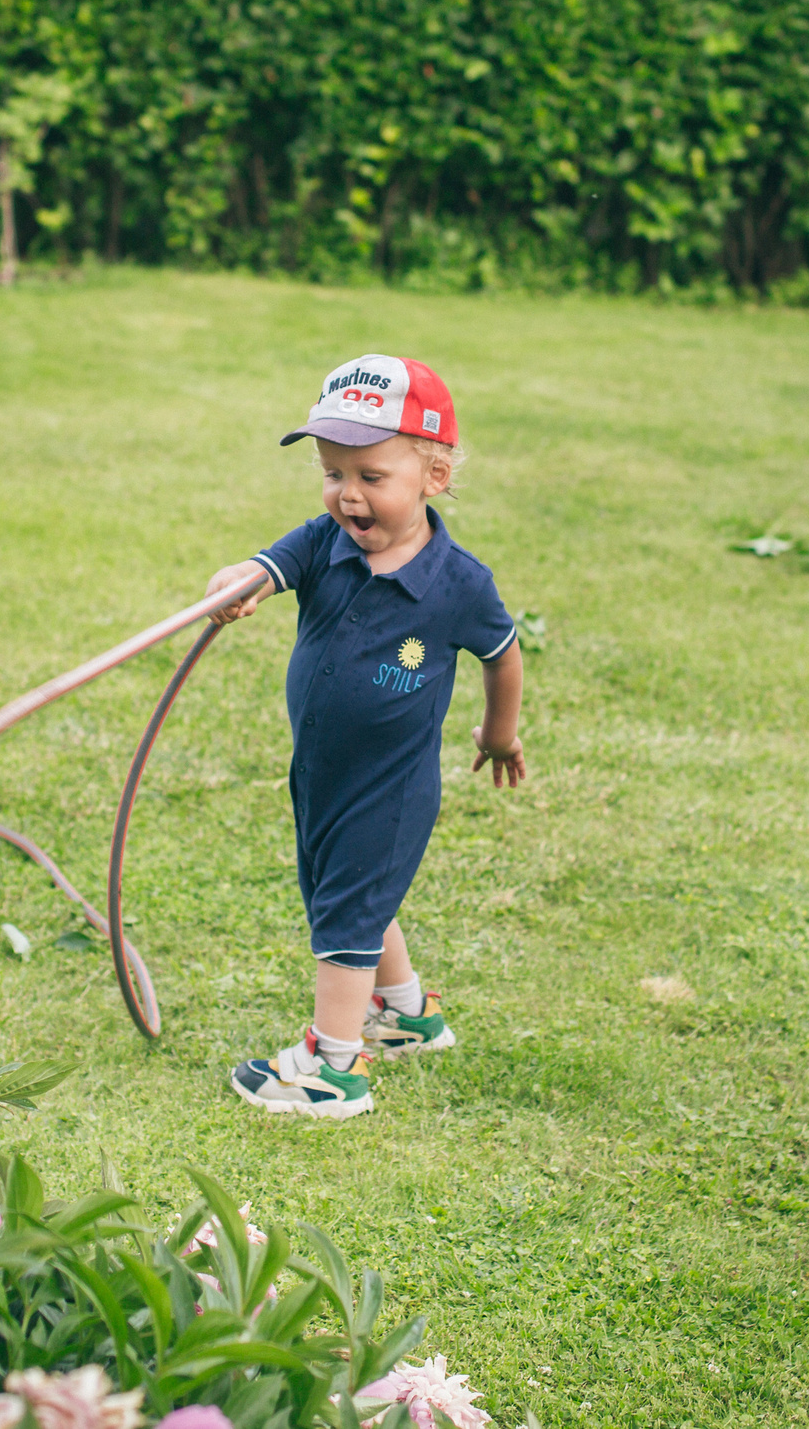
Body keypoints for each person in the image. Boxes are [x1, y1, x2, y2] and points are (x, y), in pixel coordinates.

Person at [201, 354, 528, 1119]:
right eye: (331, 471)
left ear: (433, 476)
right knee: (346, 896)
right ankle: (409, 1015)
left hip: (391, 788)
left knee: (346, 915)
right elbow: (266, 566)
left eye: (371, 475)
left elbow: (502, 652)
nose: (347, 493)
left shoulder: (460, 584)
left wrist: (500, 733)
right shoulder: (326, 542)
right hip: (322, 770)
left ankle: (333, 1067)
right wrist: (237, 580)